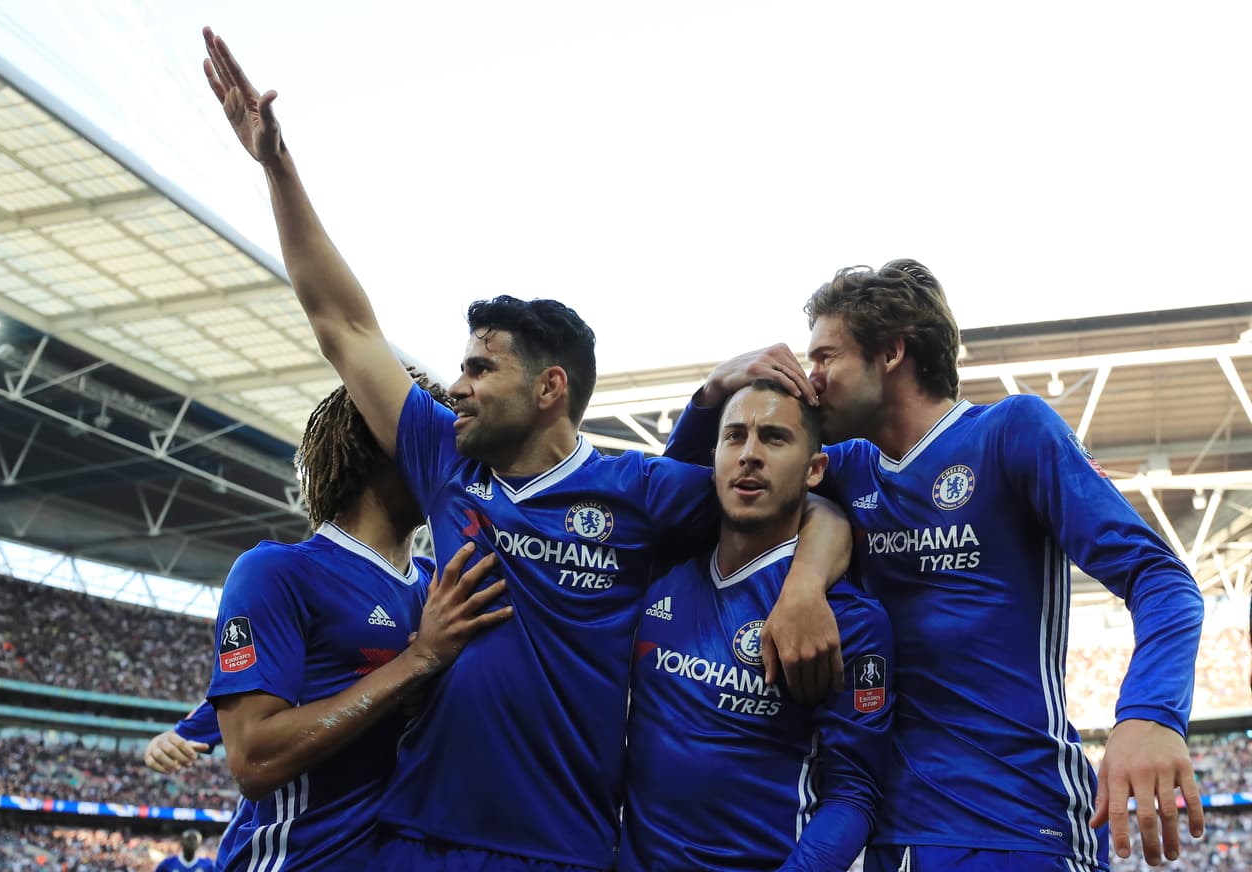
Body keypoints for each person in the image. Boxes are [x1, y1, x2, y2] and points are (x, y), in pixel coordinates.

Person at [200, 28, 851, 872]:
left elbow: (816, 504)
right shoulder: (444, 460)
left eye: (480, 367)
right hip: (414, 839)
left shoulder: (640, 491)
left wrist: (803, 582)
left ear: (550, 389)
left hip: (558, 851)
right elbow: (345, 325)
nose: (456, 385)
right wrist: (276, 167)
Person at [665, 259, 1206, 870]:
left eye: (825, 358)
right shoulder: (845, 469)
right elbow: (681, 507)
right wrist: (711, 392)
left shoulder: (1010, 432)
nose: (808, 380)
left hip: (1019, 823)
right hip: (891, 838)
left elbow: (1161, 579)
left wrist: (1150, 716)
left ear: (892, 352)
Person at [208, 383, 512, 870]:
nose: (451, 456)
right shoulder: (278, 571)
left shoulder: (442, 586)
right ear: (381, 441)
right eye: (429, 434)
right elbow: (253, 759)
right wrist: (417, 663)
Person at [619, 380, 895, 872]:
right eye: (734, 437)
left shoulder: (849, 619)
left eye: (773, 437)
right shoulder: (658, 571)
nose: (749, 455)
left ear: (815, 470)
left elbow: (854, 794)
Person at [143, 701, 249, 870]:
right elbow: (229, 696)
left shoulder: (206, 865)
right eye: (189, 839)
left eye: (194, 839)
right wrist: (173, 736)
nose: (191, 842)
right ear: (180, 842)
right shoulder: (167, 864)